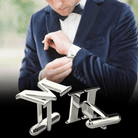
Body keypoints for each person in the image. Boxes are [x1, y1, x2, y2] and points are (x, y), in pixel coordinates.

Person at [19, 0, 138, 102]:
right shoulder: (36, 20)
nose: (57, 4)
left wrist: (71, 50)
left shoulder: (119, 12)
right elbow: (24, 85)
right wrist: (43, 78)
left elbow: (124, 87)